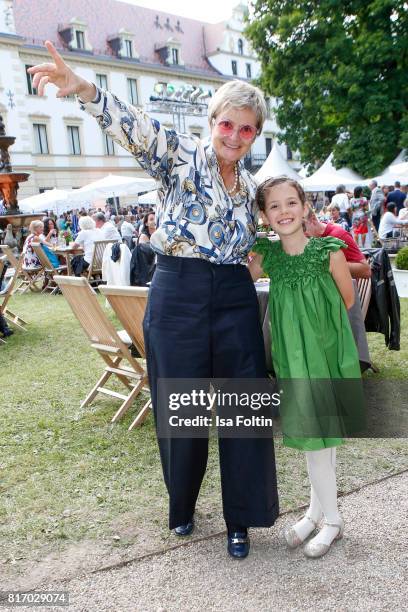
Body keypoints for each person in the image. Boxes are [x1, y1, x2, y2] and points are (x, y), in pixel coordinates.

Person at [28, 42, 279, 558]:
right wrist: (85, 90)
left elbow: (260, 243)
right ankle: (183, 505)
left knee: (243, 409)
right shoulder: (181, 157)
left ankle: (242, 519)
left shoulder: (250, 187)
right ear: (212, 122)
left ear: (255, 134)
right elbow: (136, 126)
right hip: (179, 291)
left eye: (246, 128)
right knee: (181, 405)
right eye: (227, 124)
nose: (234, 135)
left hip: (234, 295)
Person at [249, 176, 365, 559]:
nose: (284, 212)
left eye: (291, 203)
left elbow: (347, 300)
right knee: (317, 438)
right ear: (264, 215)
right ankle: (316, 513)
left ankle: (332, 520)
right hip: (294, 357)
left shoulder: (329, 251)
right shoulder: (269, 256)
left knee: (321, 437)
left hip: (327, 353)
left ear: (305, 207)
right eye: (274, 206)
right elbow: (242, 275)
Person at [303, 207, 371, 279]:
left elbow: (366, 271)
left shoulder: (338, 235)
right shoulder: (309, 239)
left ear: (313, 219)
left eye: (303, 226)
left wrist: (329, 264)